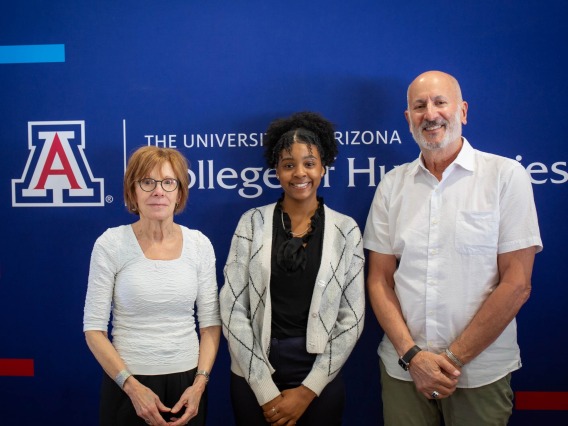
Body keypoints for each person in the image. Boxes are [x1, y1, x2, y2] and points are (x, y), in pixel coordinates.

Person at [363, 70, 543, 425]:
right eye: (419, 106)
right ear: (408, 119)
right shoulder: (392, 185)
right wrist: (413, 357)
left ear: (462, 111)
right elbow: (379, 280)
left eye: (440, 102)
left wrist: (452, 360)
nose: (430, 114)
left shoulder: (505, 177)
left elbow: (517, 284)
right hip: (404, 372)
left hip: (479, 374)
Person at [219, 111, 365, 426]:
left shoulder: (346, 230)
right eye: (289, 165)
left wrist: (309, 390)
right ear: (277, 170)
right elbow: (231, 308)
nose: (299, 173)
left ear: (323, 167)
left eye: (309, 163)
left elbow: (351, 319)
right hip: (252, 369)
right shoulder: (252, 223)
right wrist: (262, 386)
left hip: (318, 375)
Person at [83, 146, 221, 426]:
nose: (158, 191)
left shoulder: (199, 244)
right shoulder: (110, 244)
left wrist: (199, 385)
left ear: (180, 192)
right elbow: (94, 330)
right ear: (132, 191)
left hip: (188, 389)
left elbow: (210, 326)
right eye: (147, 182)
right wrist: (131, 387)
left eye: (168, 182)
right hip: (128, 386)